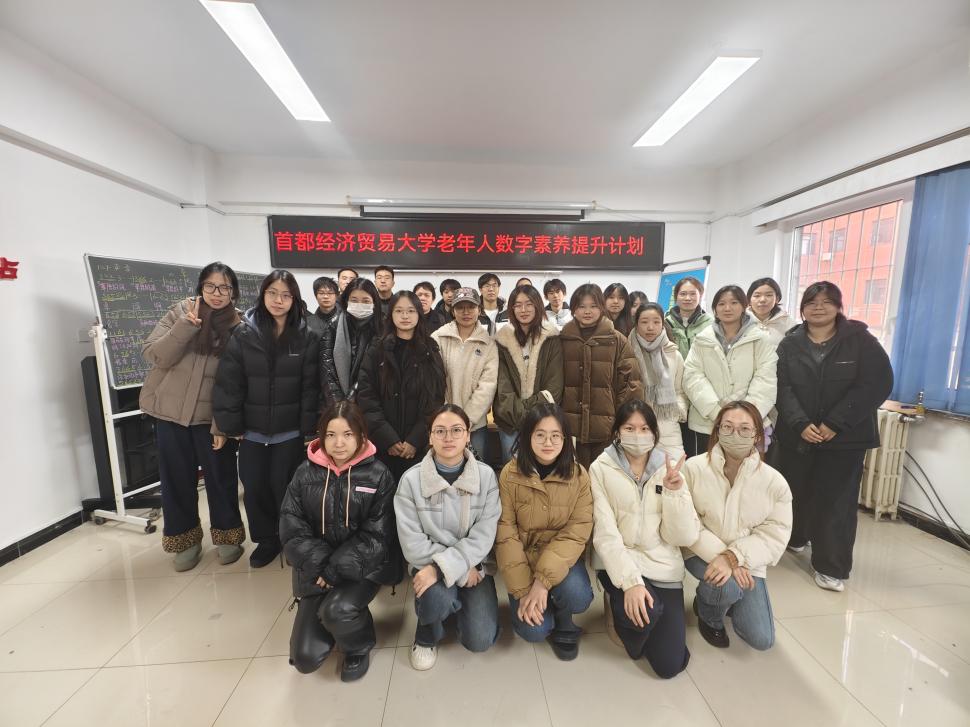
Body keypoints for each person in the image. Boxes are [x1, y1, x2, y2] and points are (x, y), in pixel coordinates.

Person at [774, 281, 893, 592]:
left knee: (836, 501)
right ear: (802, 308)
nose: (818, 307)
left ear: (839, 306)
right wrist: (800, 423)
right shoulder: (790, 344)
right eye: (812, 302)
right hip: (798, 434)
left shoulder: (861, 341)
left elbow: (876, 383)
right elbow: (782, 387)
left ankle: (831, 566)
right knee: (796, 491)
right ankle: (797, 537)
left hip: (845, 438)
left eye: (826, 302)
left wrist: (835, 423)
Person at [280, 400, 400, 682]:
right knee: (305, 658)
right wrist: (323, 566)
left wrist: (335, 569)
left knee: (336, 611)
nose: (339, 443)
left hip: (363, 567)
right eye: (331, 435)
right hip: (317, 570)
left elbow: (378, 535)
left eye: (347, 434)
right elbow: (291, 526)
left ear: (361, 435)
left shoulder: (378, 475)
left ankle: (358, 645)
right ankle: (334, 618)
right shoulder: (304, 473)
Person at [141, 262, 245, 571]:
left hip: (211, 419)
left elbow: (236, 382)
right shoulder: (180, 312)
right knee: (176, 480)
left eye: (224, 287)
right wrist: (186, 327)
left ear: (233, 292)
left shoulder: (239, 327)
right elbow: (155, 354)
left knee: (221, 478)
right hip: (170, 414)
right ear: (200, 287)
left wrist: (222, 425)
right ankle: (184, 541)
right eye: (210, 286)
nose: (217, 293)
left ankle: (228, 536)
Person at [213, 270, 320, 568]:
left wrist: (308, 429)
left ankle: (291, 538)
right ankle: (266, 540)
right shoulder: (244, 334)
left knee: (285, 488)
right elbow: (229, 382)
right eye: (273, 293)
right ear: (263, 295)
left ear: (294, 299)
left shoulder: (307, 337)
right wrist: (231, 425)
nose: (278, 300)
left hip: (289, 431)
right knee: (255, 487)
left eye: (286, 295)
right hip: (252, 430)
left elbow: (310, 387)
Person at [589, 400, 698, 677]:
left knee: (669, 666)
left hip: (662, 563)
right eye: (629, 428)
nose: (637, 435)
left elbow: (682, 536)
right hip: (621, 564)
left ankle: (647, 621)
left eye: (644, 428)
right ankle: (623, 612)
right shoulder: (601, 468)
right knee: (645, 622)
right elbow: (605, 534)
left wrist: (675, 493)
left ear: (654, 433)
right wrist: (631, 583)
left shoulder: (669, 468)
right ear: (617, 432)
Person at [395, 405, 501, 670]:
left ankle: (452, 604)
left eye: (456, 430)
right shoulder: (410, 481)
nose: (448, 438)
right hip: (434, 566)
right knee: (436, 599)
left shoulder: (486, 477)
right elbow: (412, 545)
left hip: (475, 565)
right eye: (440, 431)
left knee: (480, 640)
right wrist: (454, 571)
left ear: (468, 435)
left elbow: (485, 536)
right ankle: (426, 633)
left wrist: (456, 568)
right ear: (430, 437)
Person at [683, 402, 792, 651]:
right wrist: (725, 558)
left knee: (761, 639)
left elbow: (775, 535)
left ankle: (724, 597)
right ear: (717, 430)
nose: (735, 435)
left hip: (747, 561)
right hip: (700, 552)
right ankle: (709, 614)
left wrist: (734, 557)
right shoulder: (693, 469)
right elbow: (688, 523)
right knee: (726, 586)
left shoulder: (774, 482)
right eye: (728, 427)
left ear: (757, 435)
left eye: (744, 429)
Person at [496, 403, 594, 661]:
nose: (548, 442)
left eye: (555, 435)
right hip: (524, 562)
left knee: (579, 596)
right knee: (534, 631)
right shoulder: (509, 475)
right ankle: (541, 605)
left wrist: (542, 583)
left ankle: (563, 617)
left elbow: (577, 531)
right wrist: (523, 591)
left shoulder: (578, 476)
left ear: (565, 439)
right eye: (540, 434)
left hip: (560, 559)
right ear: (527, 437)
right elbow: (505, 534)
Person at [356, 291, 446, 480]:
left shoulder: (430, 349)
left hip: (419, 446)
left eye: (411, 311)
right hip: (382, 445)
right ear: (391, 314)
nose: (405, 316)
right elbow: (366, 396)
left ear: (419, 314)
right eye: (399, 311)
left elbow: (435, 399)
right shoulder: (377, 349)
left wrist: (415, 440)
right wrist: (388, 438)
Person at [683, 285, 777, 457]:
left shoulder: (760, 339)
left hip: (748, 425)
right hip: (707, 423)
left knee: (746, 471)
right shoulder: (702, 339)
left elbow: (765, 379)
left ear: (744, 306)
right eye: (721, 304)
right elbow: (692, 376)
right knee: (705, 470)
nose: (727, 308)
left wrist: (744, 416)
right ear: (715, 309)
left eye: (734, 303)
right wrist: (716, 412)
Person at [560, 283, 643, 468]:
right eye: (581, 306)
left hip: (606, 429)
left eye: (593, 306)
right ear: (573, 309)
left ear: (601, 307)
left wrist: (620, 419)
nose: (587, 311)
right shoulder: (563, 339)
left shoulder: (617, 340)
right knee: (573, 476)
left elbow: (631, 383)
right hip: (569, 427)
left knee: (604, 475)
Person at [494, 284, 564, 462]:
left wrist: (532, 417)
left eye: (529, 304)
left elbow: (553, 388)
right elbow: (502, 388)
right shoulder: (502, 339)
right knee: (512, 473)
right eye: (517, 305)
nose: (523, 310)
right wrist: (521, 416)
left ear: (538, 305)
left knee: (542, 471)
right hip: (509, 424)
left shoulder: (552, 338)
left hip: (543, 423)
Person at [431, 288, 498, 461]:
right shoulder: (438, 337)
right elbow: (432, 381)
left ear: (479, 310)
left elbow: (487, 386)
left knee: (477, 469)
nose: (466, 312)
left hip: (475, 425)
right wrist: (447, 417)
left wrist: (466, 421)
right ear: (453, 311)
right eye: (460, 307)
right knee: (445, 466)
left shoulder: (489, 344)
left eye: (471, 307)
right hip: (443, 422)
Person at [629, 304, 688, 455]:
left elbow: (680, 390)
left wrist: (677, 412)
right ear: (636, 324)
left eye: (656, 322)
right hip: (635, 424)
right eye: (644, 322)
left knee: (674, 466)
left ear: (663, 324)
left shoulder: (673, 353)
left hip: (667, 425)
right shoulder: (627, 353)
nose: (650, 327)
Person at [320, 278, 384, 405]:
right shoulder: (334, 325)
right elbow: (327, 368)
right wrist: (339, 404)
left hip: (371, 399)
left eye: (366, 301)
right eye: (354, 300)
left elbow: (374, 370)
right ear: (346, 301)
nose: (359, 304)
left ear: (374, 303)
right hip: (335, 403)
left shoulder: (383, 328)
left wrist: (351, 399)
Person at [664, 276, 712, 360]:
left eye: (693, 294)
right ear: (676, 296)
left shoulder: (710, 323)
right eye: (683, 294)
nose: (687, 298)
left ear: (700, 296)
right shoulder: (665, 323)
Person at [747, 277, 792, 347]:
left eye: (768, 295)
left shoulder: (787, 322)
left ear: (777, 299)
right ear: (749, 300)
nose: (762, 300)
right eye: (757, 296)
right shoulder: (740, 321)